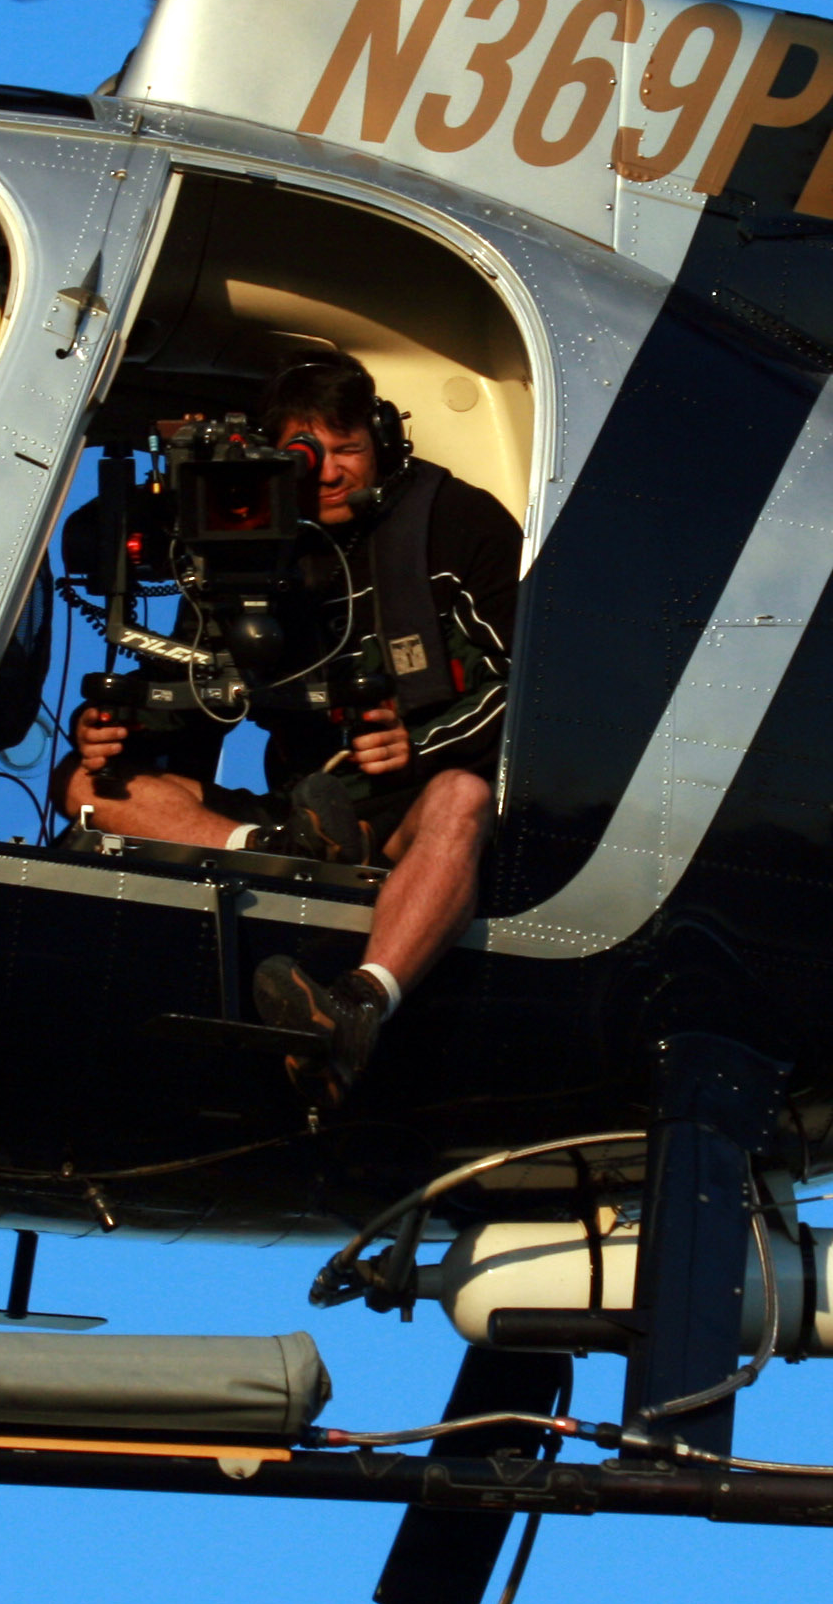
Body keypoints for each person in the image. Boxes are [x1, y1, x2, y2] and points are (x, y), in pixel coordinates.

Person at [60, 353, 516, 1083]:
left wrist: (420, 742)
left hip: (407, 802)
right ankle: (281, 843)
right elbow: (197, 699)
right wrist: (113, 729)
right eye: (307, 454)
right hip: (301, 815)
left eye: (348, 449)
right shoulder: (239, 549)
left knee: (461, 798)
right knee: (87, 787)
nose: (329, 473)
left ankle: (359, 1004)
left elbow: (531, 688)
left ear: (385, 445)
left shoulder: (457, 524)